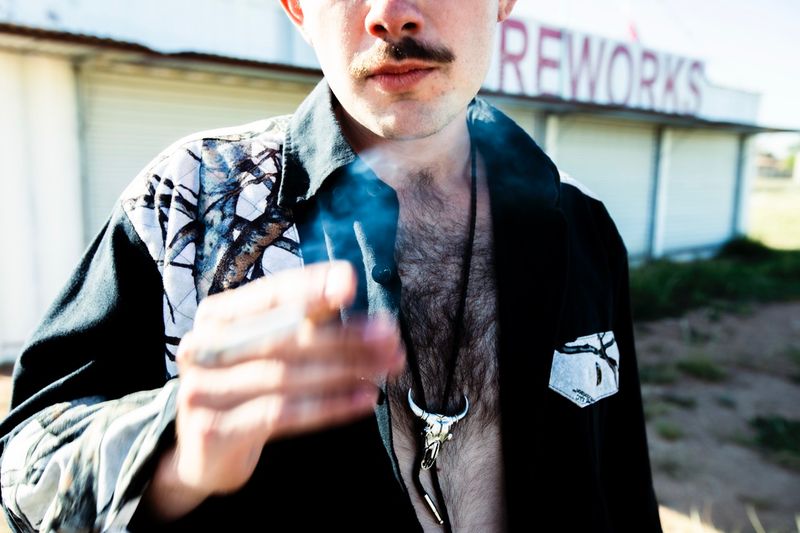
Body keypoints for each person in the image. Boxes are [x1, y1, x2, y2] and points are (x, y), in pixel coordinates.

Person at [0, 1, 664, 531]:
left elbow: (623, 484)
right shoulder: (185, 206)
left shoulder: (580, 227)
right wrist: (173, 447)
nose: (392, 15)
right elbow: (21, 469)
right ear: (295, 6)